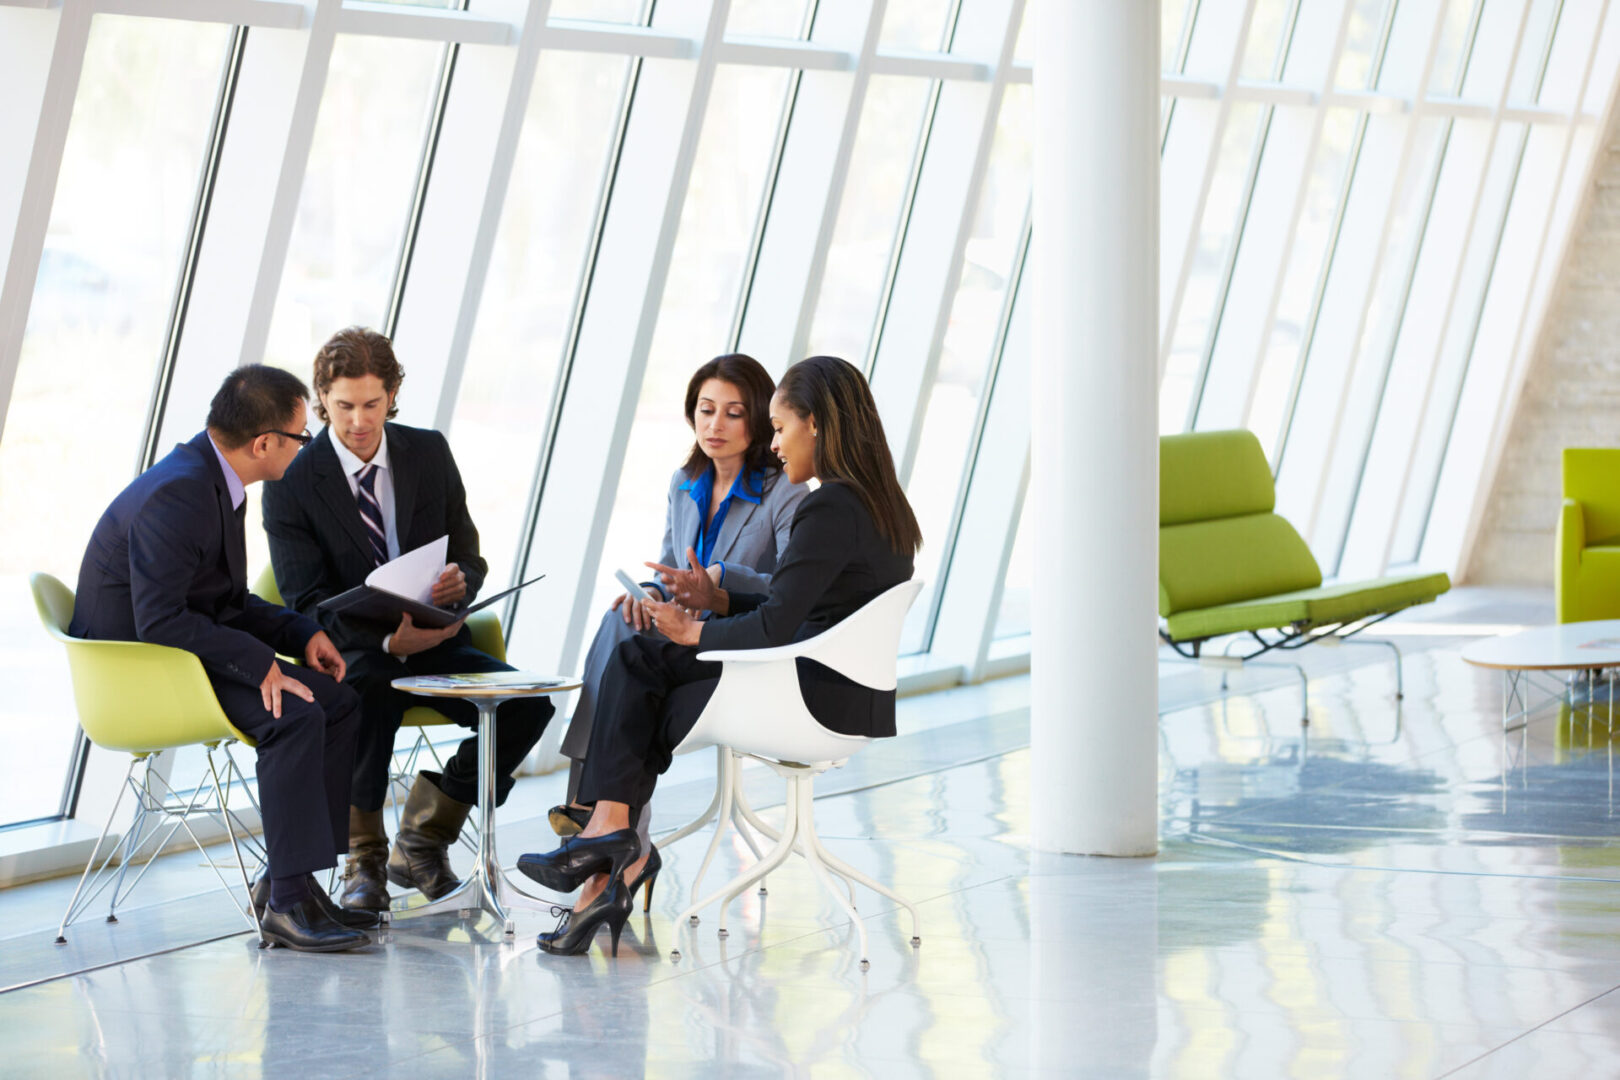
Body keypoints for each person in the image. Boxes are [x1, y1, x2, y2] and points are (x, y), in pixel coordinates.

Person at [517, 355, 922, 956]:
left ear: (817, 425)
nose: (777, 444)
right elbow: (804, 601)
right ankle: (610, 841)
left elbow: (781, 622)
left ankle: (609, 834)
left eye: (780, 427)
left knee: (640, 664)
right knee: (640, 660)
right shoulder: (880, 503)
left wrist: (694, 633)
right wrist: (719, 597)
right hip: (840, 689)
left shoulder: (828, 506)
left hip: (805, 692)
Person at [70, 365, 374, 952]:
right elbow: (159, 620)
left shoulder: (214, 479)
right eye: (300, 436)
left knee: (337, 701)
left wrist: (298, 631)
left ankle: (294, 882)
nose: (305, 447)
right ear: (264, 444)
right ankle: (287, 902)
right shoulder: (181, 493)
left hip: (181, 655)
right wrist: (262, 662)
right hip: (145, 672)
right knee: (293, 713)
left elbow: (223, 601)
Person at [262, 327, 551, 913]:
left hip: (437, 638)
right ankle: (363, 858)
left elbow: (469, 552)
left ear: (393, 393)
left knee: (527, 705)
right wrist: (390, 638)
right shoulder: (292, 480)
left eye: (372, 404)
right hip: (352, 648)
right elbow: (304, 599)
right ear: (322, 397)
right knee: (368, 689)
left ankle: (424, 837)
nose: (359, 421)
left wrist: (459, 582)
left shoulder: (428, 452)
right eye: (343, 406)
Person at [549, 354, 808, 899]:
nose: (715, 425)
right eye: (705, 410)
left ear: (759, 419)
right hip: (679, 635)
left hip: (735, 647)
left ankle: (597, 811)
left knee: (626, 648)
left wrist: (719, 581)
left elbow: (788, 591)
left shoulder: (784, 489)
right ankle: (618, 835)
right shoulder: (685, 481)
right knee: (621, 615)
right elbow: (669, 566)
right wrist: (651, 594)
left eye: (733, 413)